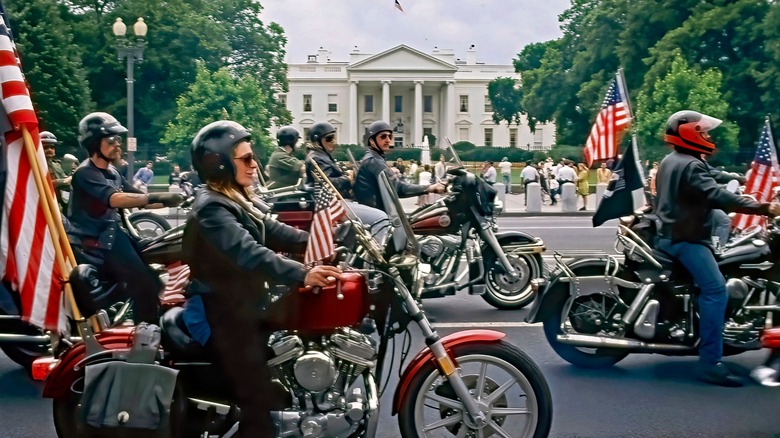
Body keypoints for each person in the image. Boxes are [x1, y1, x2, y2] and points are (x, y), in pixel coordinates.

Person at [183, 120, 342, 436]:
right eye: (245, 159)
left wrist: (320, 241)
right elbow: (249, 252)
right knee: (259, 404)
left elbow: (271, 230)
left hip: (242, 302)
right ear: (220, 164)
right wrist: (303, 273)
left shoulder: (235, 197)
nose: (255, 164)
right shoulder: (212, 207)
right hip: (220, 312)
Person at [654, 110, 780, 387]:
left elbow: (712, 176)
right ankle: (710, 363)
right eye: (705, 132)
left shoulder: (674, 160)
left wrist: (742, 178)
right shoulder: (691, 165)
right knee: (715, 290)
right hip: (685, 239)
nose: (709, 137)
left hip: (670, 233)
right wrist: (764, 207)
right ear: (691, 134)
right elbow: (714, 194)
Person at [67, 112, 184, 324]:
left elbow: (139, 198)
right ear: (94, 143)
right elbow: (115, 199)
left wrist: (175, 200)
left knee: (161, 256)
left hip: (114, 237)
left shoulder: (112, 172)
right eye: (111, 140)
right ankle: (147, 334)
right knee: (146, 284)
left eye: (119, 140)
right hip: (96, 243)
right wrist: (156, 196)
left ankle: (141, 314)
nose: (117, 145)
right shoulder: (85, 173)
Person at [354, 120, 445, 213]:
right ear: (372, 141)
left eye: (390, 136)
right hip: (377, 215)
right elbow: (396, 188)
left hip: (376, 211)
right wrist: (429, 188)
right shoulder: (374, 161)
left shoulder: (375, 158)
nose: (388, 140)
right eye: (383, 136)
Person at [305, 122, 353, 198]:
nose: (333, 141)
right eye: (329, 138)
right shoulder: (316, 158)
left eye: (334, 137)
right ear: (317, 140)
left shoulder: (321, 155)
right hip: (330, 202)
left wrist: (346, 172)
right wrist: (348, 178)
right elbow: (328, 183)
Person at [41, 131, 71, 210]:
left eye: (52, 147)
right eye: (46, 147)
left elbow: (64, 179)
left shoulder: (56, 165)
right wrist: (61, 181)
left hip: (58, 205)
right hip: (43, 206)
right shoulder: (35, 166)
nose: (50, 150)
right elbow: (40, 185)